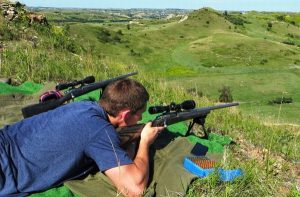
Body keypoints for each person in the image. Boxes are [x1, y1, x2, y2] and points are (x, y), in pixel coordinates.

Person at [0, 79, 164, 197]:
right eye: (139, 115)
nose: (140, 120)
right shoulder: (100, 131)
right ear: (126, 114)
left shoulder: (83, 105)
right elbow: (135, 189)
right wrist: (144, 141)